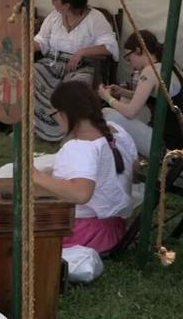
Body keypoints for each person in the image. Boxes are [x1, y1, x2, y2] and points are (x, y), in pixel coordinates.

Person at [32, 81, 137, 253]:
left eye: (55, 114)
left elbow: (81, 193)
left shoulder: (80, 147)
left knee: (12, 225)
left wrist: (37, 177)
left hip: (85, 233)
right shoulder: (118, 132)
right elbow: (128, 168)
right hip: (115, 229)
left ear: (65, 114)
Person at [33, 0, 119, 141]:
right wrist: (22, 46)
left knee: (76, 88)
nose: (52, 2)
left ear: (67, 5)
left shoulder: (95, 18)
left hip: (82, 67)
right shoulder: (54, 17)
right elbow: (41, 41)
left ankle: (70, 132)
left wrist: (83, 52)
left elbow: (110, 46)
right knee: (31, 74)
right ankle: (39, 128)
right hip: (53, 63)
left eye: (55, 0)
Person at [98, 31, 183, 155]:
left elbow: (130, 112)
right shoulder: (169, 65)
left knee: (106, 114)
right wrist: (122, 92)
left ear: (138, 50)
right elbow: (147, 97)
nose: (129, 62)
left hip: (165, 145)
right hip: (180, 139)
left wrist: (107, 97)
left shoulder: (150, 71)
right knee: (123, 104)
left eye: (128, 58)